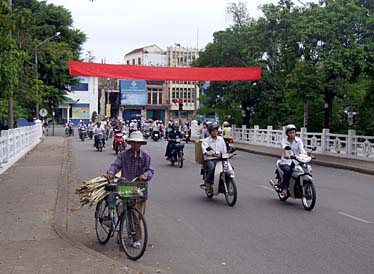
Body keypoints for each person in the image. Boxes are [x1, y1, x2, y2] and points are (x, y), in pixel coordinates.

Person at [105, 131, 154, 248]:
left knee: (136, 216)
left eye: (138, 143)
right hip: (126, 187)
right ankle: (122, 231)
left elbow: (150, 170)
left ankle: (136, 238)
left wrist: (145, 175)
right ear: (130, 143)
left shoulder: (146, 157)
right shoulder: (123, 155)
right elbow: (115, 165)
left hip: (139, 189)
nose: (136, 145)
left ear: (141, 144)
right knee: (122, 210)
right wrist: (111, 173)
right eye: (134, 143)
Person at [278, 124, 307, 197]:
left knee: (305, 169)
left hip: (296, 161)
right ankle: (284, 189)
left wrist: (306, 155)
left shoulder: (298, 140)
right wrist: (287, 155)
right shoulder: (284, 141)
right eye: (290, 133)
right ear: (287, 133)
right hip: (286, 161)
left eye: (293, 132)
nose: (292, 134)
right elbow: (285, 148)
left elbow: (302, 149)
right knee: (288, 171)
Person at [201, 122, 227, 189]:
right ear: (210, 132)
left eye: (216, 130)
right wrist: (209, 153)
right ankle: (208, 182)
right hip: (210, 159)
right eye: (213, 131)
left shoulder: (221, 139)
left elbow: (224, 150)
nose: (215, 132)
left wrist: (226, 154)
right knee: (212, 168)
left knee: (229, 168)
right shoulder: (206, 141)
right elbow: (205, 150)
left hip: (220, 159)